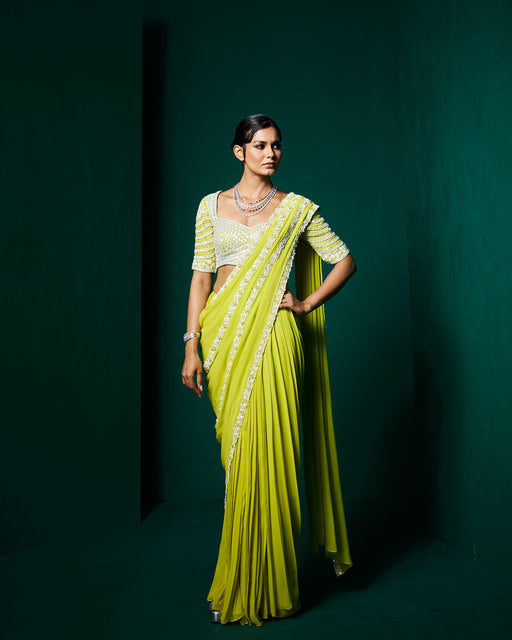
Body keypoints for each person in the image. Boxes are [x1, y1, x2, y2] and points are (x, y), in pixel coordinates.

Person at [181, 114, 357, 626]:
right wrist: (191, 346)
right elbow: (201, 279)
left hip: (275, 338)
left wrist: (304, 304)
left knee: (271, 456)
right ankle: (241, 576)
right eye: (260, 145)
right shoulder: (210, 206)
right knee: (240, 462)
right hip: (221, 340)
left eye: (276, 145)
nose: (271, 153)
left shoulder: (295, 209)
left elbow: (344, 260)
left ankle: (274, 587)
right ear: (240, 151)